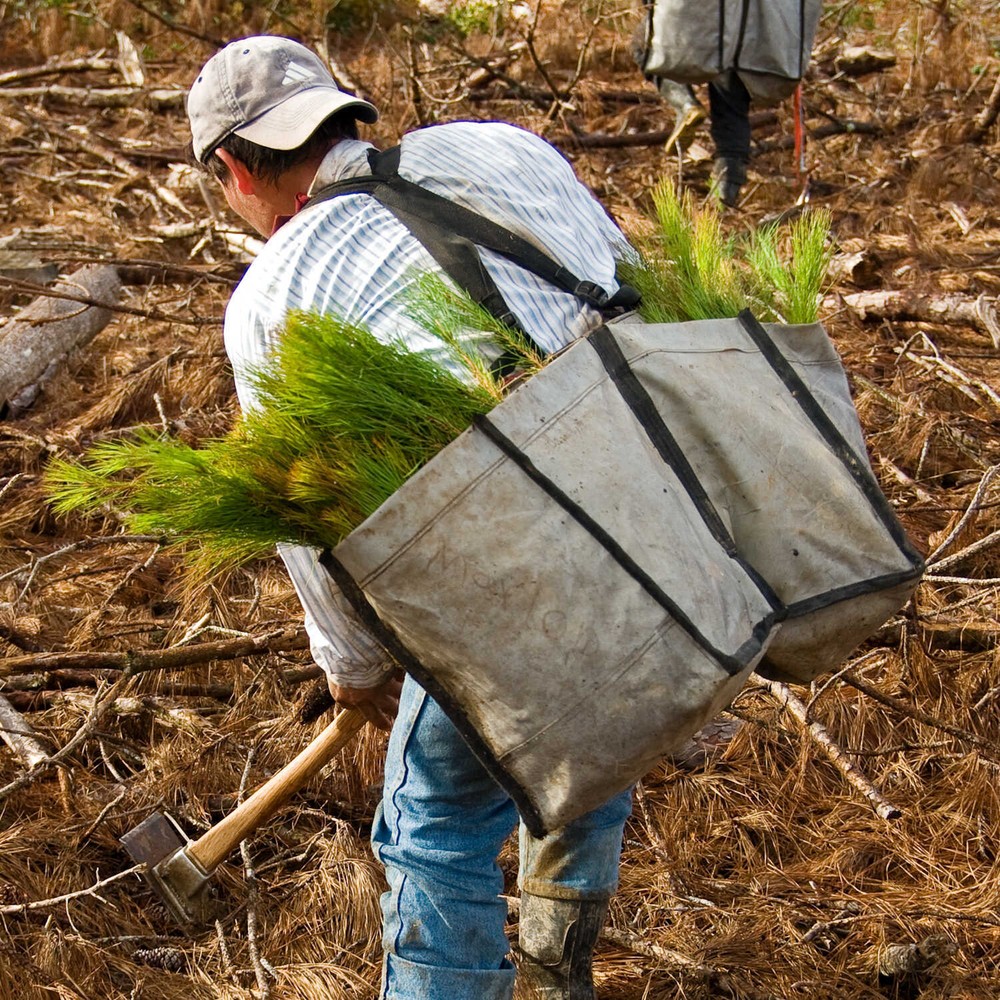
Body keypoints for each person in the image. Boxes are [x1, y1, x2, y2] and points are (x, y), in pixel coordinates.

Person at [186, 34, 635, 999]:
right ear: (345, 115)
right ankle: (562, 976)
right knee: (594, 737)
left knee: (430, 825)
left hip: (500, 571)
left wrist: (356, 669)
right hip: (648, 518)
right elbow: (634, 286)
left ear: (233, 168)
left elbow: (315, 523)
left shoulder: (275, 296)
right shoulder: (499, 146)